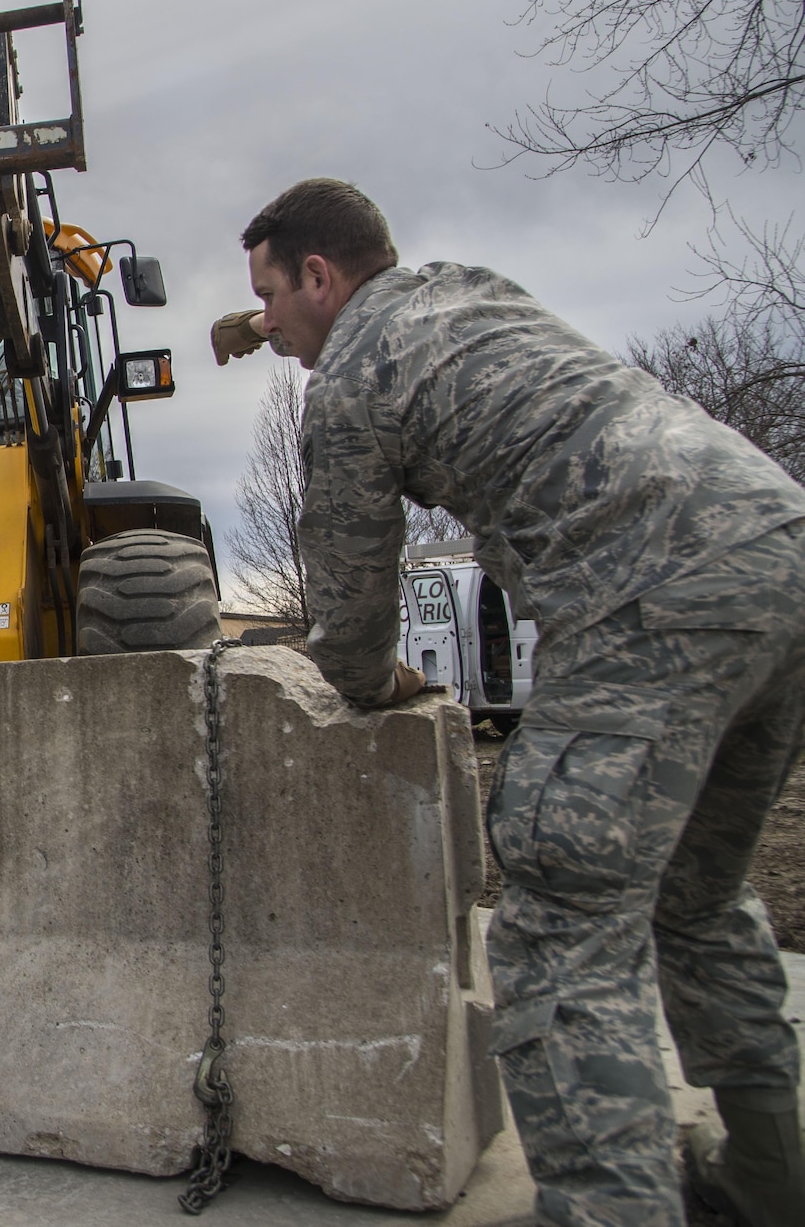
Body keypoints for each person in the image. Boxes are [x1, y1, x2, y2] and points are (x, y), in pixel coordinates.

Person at [228, 178, 805, 1227]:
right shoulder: (464, 290)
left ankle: (606, 1211)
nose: (262, 323)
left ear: (319, 276)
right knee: (694, 897)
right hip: (776, 550)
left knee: (560, 927)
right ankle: (767, 1181)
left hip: (648, 592)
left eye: (268, 296)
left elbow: (349, 607)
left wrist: (375, 684)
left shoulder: (352, 376)